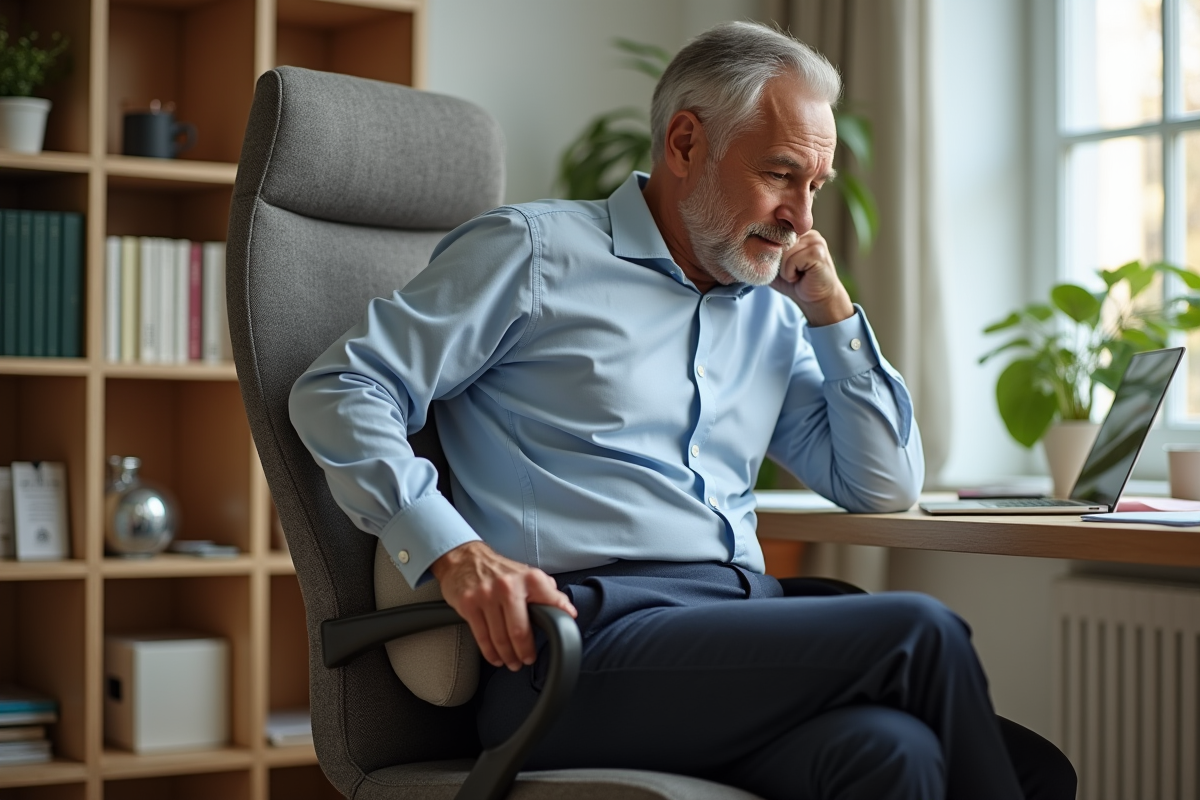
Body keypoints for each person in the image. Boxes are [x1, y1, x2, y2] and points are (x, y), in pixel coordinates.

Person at [289, 21, 1076, 800]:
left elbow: (882, 484)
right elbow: (341, 389)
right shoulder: (535, 255)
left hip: (732, 639)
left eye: (816, 188)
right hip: (576, 650)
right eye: (781, 174)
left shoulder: (772, 311)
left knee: (899, 755)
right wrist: (452, 552)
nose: (802, 218)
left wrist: (833, 314)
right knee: (920, 634)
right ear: (686, 144)